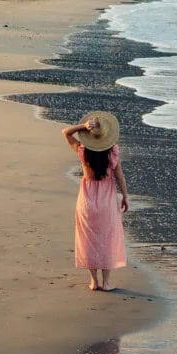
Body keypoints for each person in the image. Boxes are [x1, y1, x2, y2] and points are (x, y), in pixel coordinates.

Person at [62, 112, 129, 291]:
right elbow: (119, 175)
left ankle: (94, 281)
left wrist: (83, 127)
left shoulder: (83, 151)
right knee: (107, 237)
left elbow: (66, 132)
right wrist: (125, 195)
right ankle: (106, 282)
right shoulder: (113, 152)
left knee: (88, 238)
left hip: (87, 197)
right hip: (107, 198)